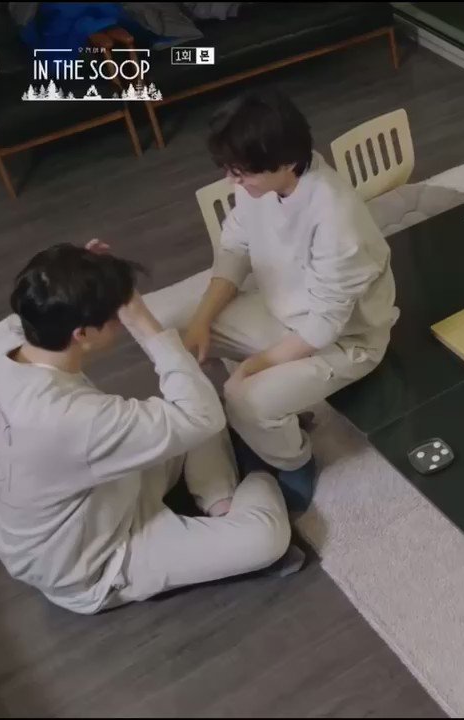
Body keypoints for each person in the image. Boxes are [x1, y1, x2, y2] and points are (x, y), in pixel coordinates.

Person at [0, 242, 296, 615]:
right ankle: (257, 474)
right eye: (115, 315)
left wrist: (82, 271)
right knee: (266, 539)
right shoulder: (75, 419)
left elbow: (195, 416)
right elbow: (202, 416)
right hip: (94, 560)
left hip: (99, 491)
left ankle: (219, 501)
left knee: (192, 407)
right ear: (82, 334)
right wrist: (142, 320)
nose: (121, 317)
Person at [148, 88, 398, 513]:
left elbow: (323, 326)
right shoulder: (259, 186)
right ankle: (243, 424)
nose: (232, 182)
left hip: (342, 342)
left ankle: (295, 459)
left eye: (240, 173)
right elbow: (235, 246)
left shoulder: (336, 217)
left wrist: (254, 366)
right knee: (171, 327)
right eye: (229, 170)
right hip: (280, 312)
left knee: (245, 397)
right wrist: (202, 321)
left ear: (284, 162)